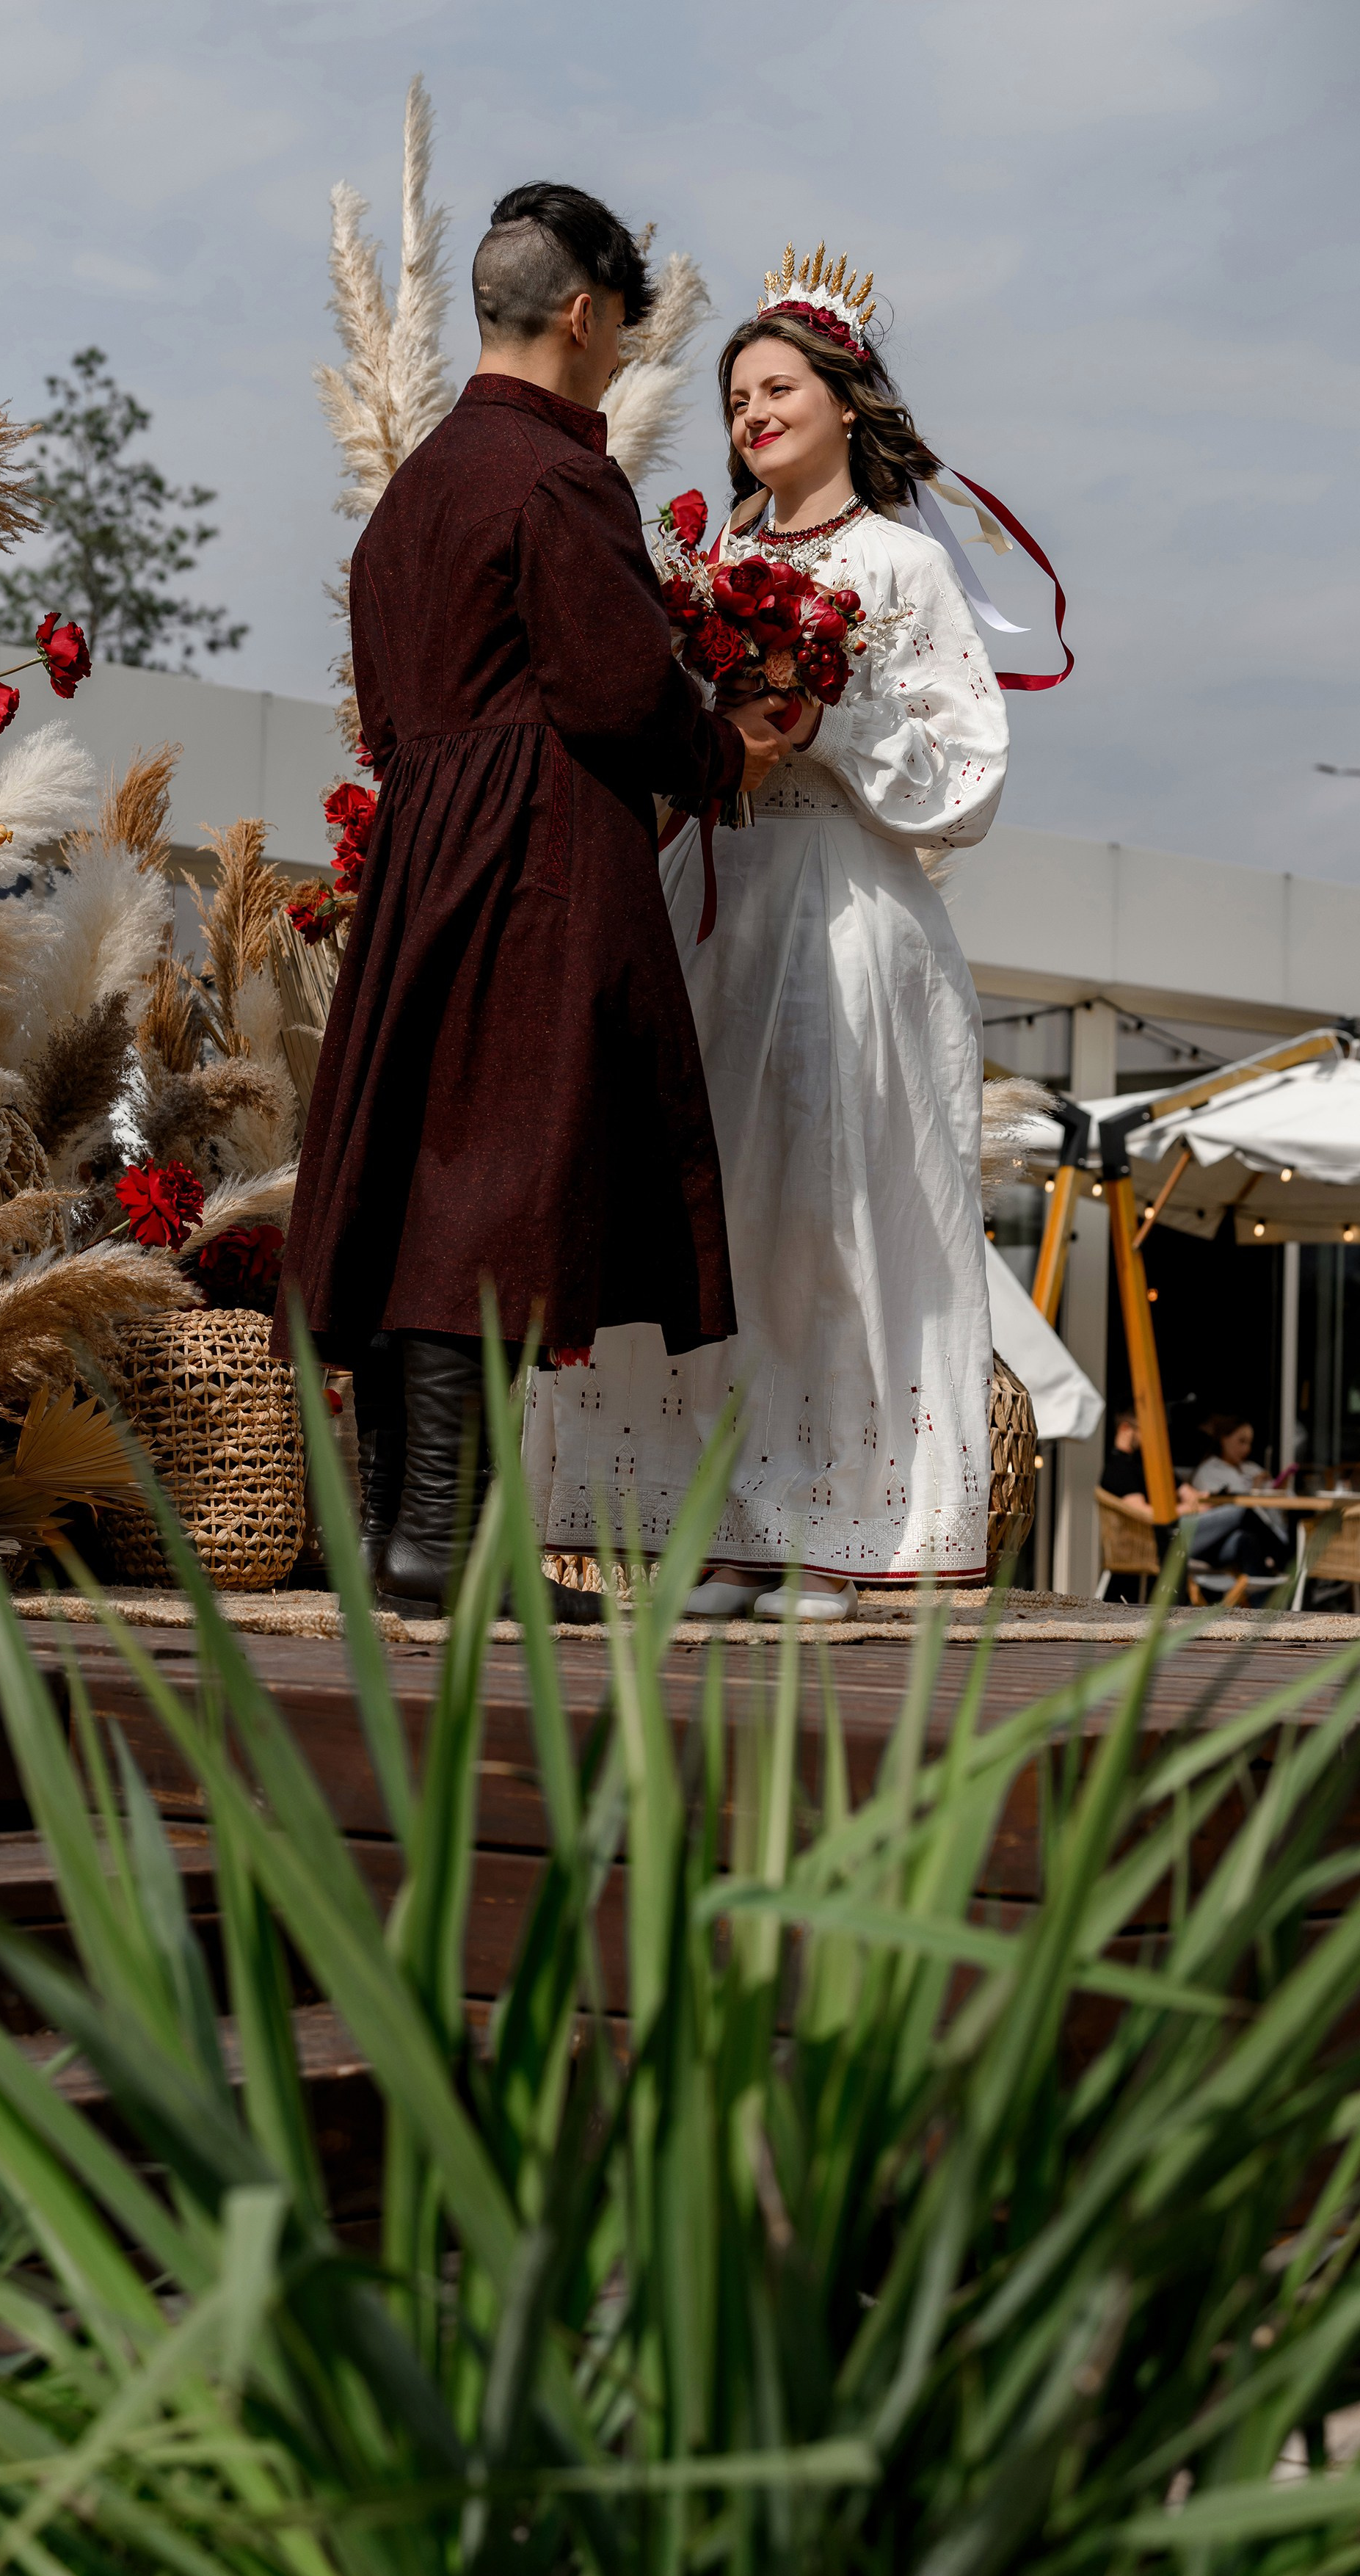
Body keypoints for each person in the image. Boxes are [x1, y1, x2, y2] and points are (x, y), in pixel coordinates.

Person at [278, 183, 791, 1619]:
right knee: (501, 1191)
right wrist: (728, 749)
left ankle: (413, 1540)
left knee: (427, 1186)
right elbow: (620, 690)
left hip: (425, 848)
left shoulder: (417, 493)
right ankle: (448, 1543)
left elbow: (384, 713)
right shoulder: (561, 481)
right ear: (583, 314)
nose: (625, 348)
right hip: (539, 858)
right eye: (622, 321)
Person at [528, 244, 1008, 1619]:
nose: (751, 414)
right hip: (718, 898)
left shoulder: (903, 566)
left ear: (845, 402)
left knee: (830, 1213)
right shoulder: (720, 555)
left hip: (848, 909)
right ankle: (719, 1525)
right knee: (711, 1215)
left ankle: (836, 1529)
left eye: (777, 387)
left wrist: (826, 711)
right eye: (737, 396)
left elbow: (972, 770)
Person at [1185, 1415, 1289, 1577]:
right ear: (1223, 1439)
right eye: (1241, 1441)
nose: (1247, 1449)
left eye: (1249, 1443)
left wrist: (1276, 1490)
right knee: (1243, 1512)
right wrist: (1254, 1490)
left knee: (1248, 1539)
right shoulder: (1209, 1472)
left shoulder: (1251, 1468)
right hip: (1210, 1537)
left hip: (1253, 1535)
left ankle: (1266, 1599)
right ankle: (1289, 1563)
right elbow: (1207, 1507)